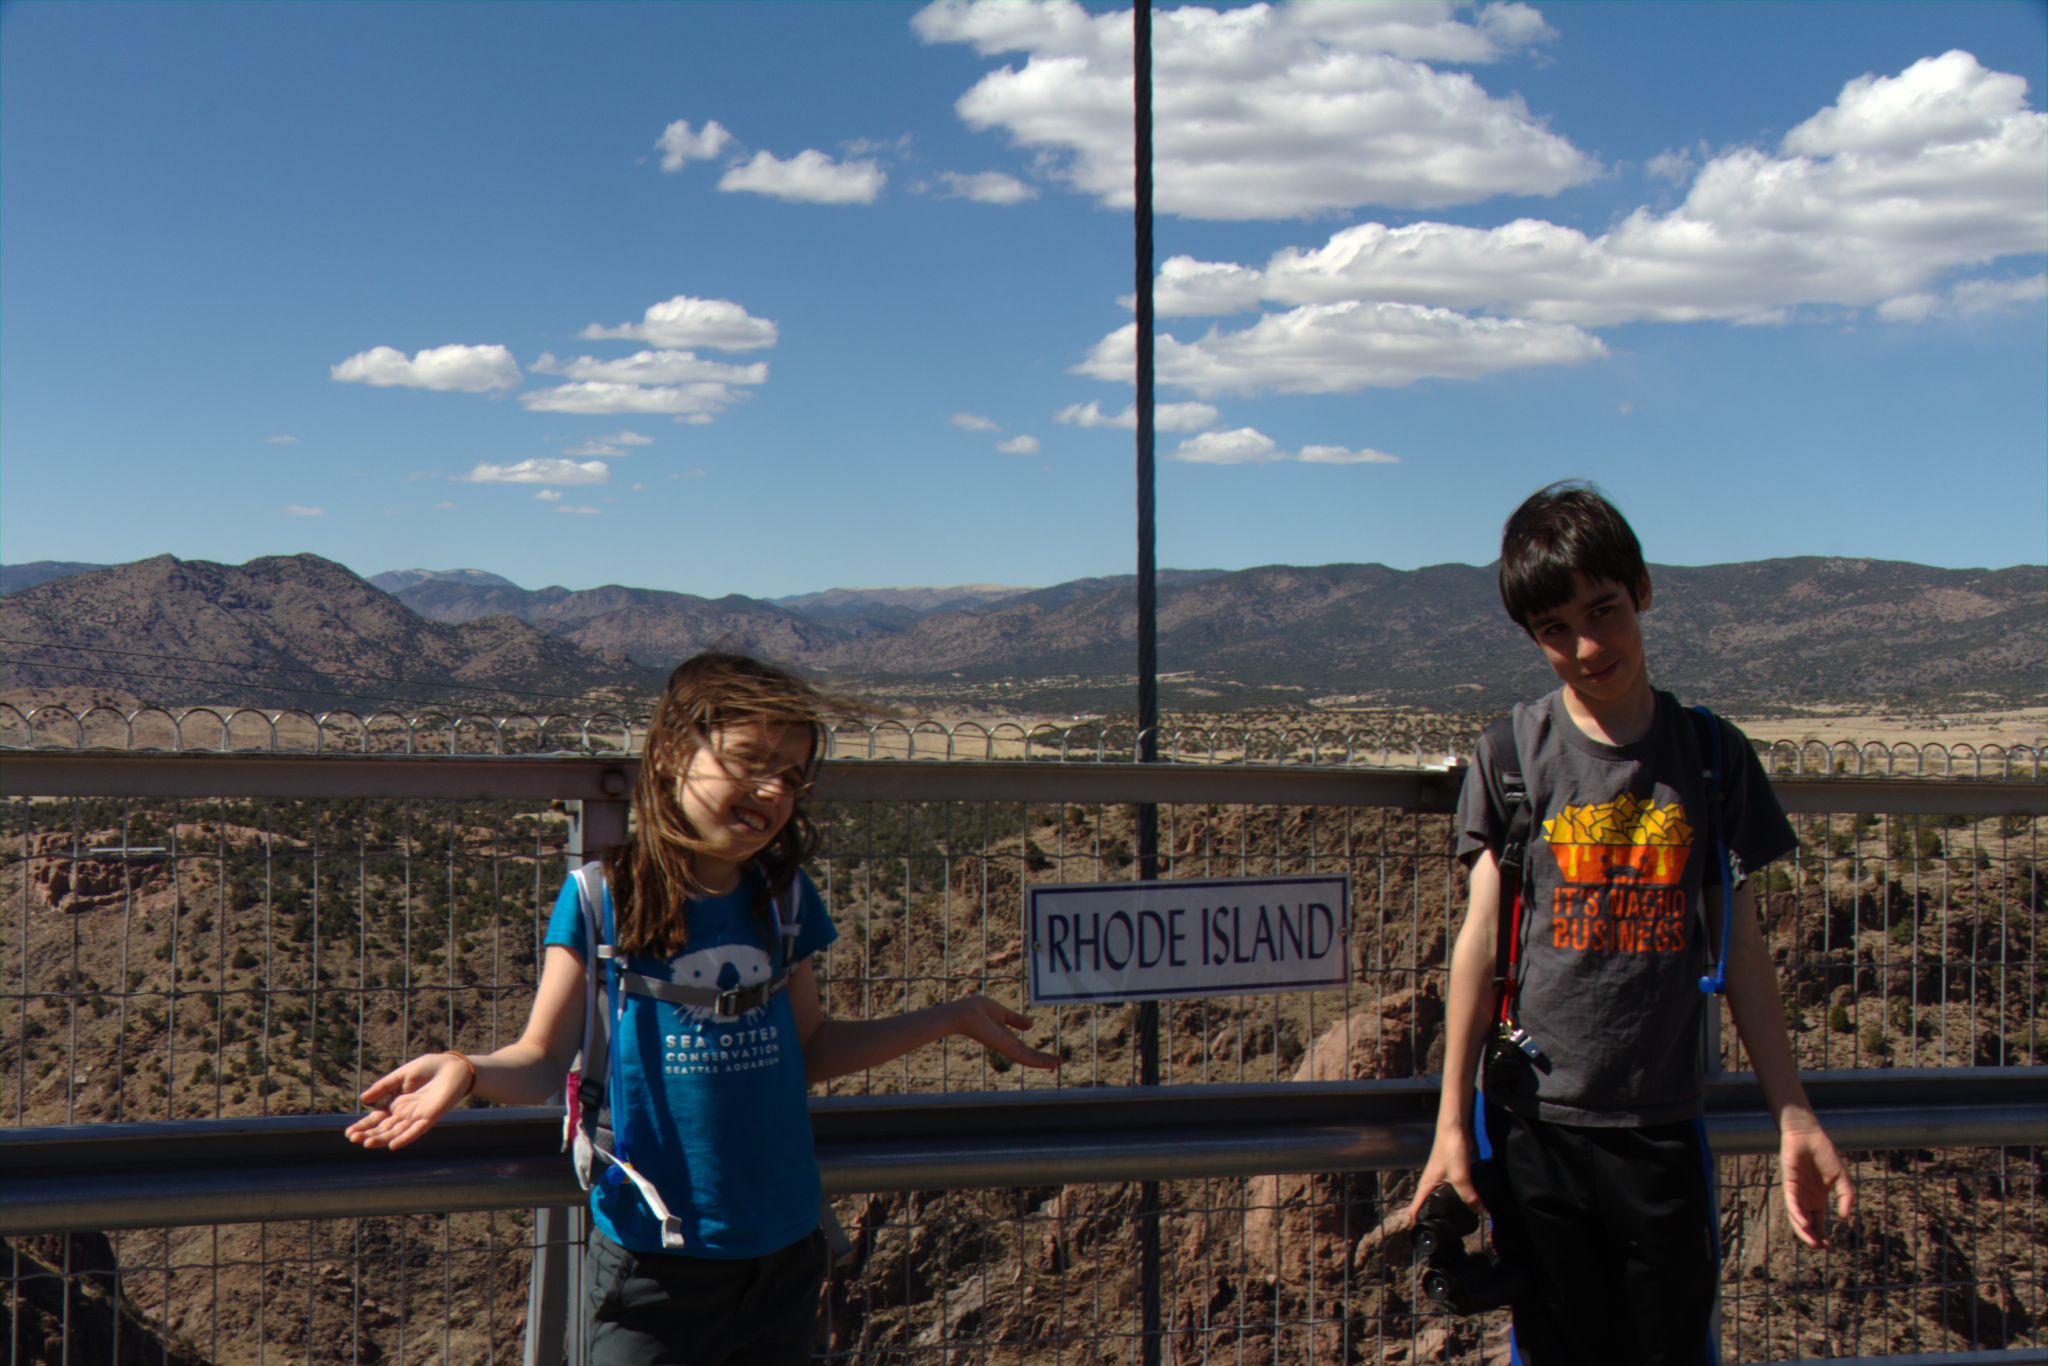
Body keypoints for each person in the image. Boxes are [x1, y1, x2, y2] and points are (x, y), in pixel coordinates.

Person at [347, 651, 1057, 1365]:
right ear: (671, 755)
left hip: (783, 1255)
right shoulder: (601, 899)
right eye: (749, 759)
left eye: (791, 773)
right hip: (653, 1266)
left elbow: (809, 1049)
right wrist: (464, 1069)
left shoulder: (784, 901)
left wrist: (950, 1018)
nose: (772, 789)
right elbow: (539, 1062)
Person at [1407, 482, 1854, 1364]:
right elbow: (1482, 943)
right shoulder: (1511, 759)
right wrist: (1451, 1125)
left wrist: (1792, 1114)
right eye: (1554, 631)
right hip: (1536, 1128)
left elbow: (1745, 951)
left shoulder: (1712, 760)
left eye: (1602, 610)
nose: (1585, 646)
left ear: (1642, 591)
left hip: (1661, 1126)